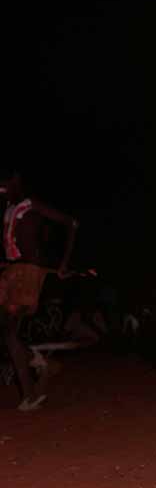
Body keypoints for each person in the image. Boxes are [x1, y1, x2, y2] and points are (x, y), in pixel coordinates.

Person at [0, 170, 79, 410]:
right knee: (7, 332)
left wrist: (64, 263)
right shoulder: (9, 208)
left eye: (4, 183)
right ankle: (40, 362)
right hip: (12, 272)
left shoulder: (30, 205)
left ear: (16, 180)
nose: (1, 188)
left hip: (27, 273)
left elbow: (72, 223)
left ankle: (30, 393)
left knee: (10, 332)